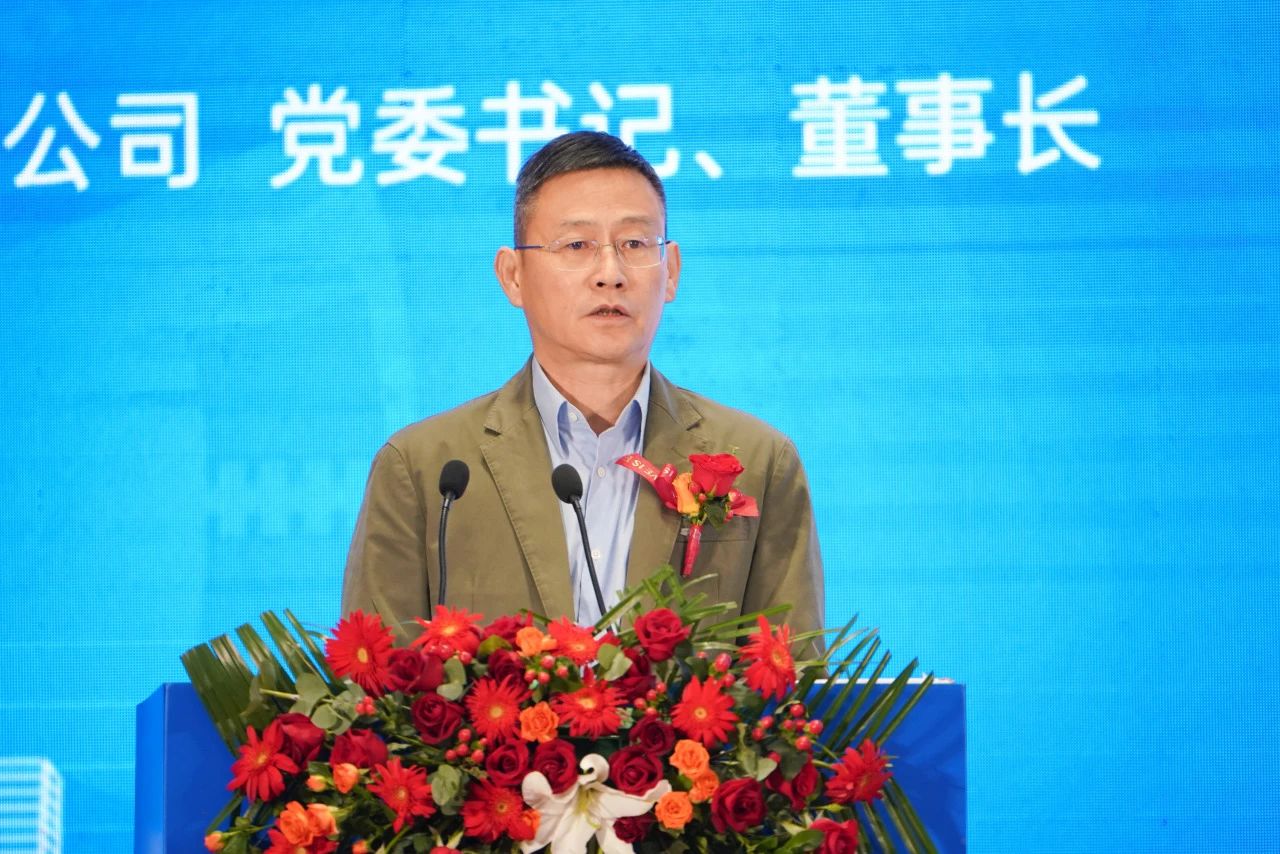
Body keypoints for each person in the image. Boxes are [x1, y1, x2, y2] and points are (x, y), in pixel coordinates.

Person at [341, 131, 824, 647]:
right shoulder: (423, 469)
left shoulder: (757, 460)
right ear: (513, 276)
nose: (610, 274)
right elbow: (374, 679)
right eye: (576, 245)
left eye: (635, 244)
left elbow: (793, 677)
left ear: (671, 271)